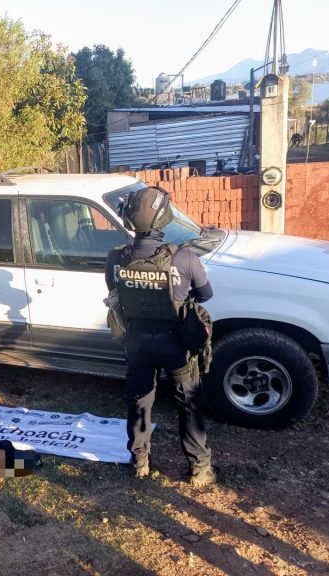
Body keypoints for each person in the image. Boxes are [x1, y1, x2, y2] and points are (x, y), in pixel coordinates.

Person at [105, 186, 216, 486]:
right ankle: (199, 469)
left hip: (138, 343)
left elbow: (114, 291)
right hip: (176, 345)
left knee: (139, 403)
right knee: (189, 404)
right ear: (161, 221)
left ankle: (140, 461)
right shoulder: (185, 257)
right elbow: (205, 295)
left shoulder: (116, 257)